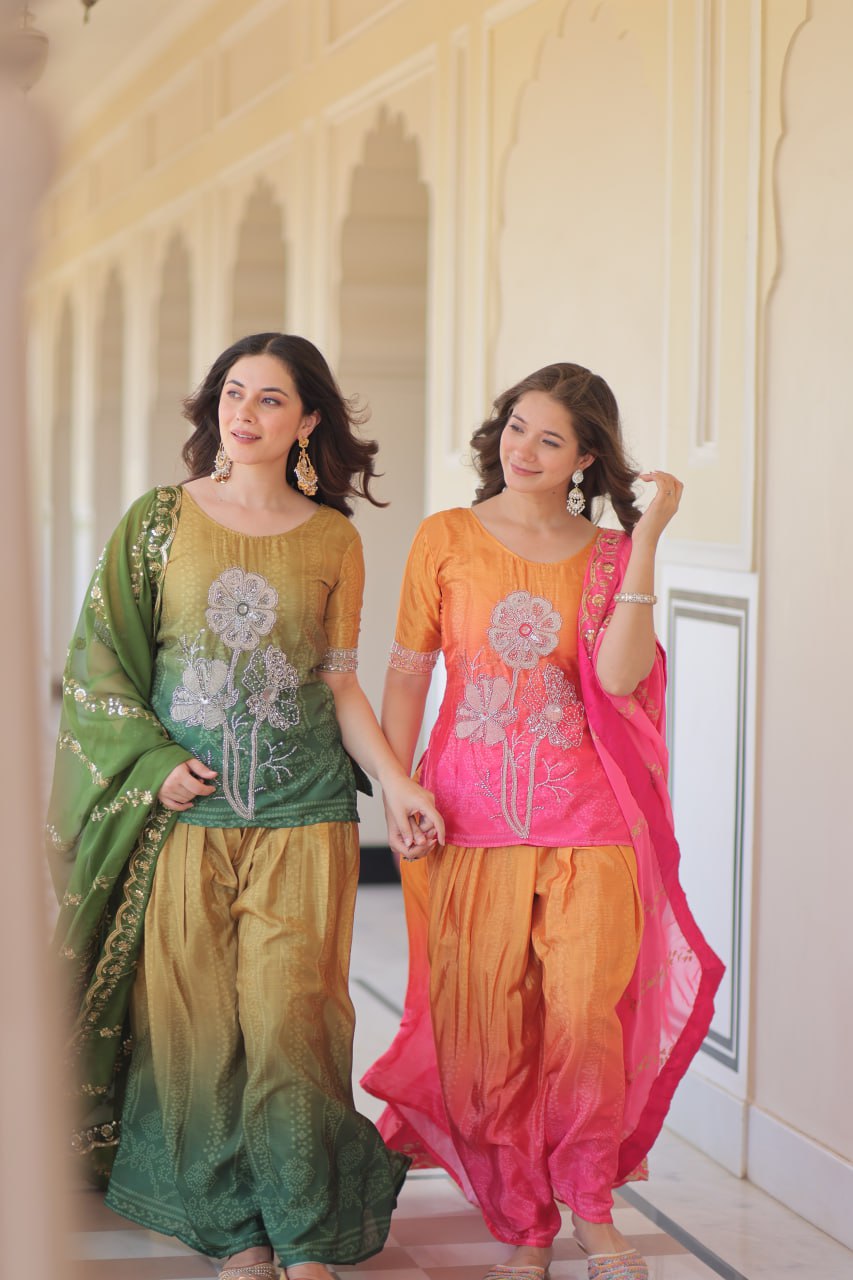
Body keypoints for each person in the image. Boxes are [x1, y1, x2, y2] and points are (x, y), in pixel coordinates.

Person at [47, 332, 444, 1280]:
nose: (244, 413)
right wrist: (154, 765)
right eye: (233, 393)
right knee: (197, 1029)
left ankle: (302, 1227)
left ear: (307, 422)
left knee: (290, 1022)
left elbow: (339, 683)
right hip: (187, 822)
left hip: (305, 816)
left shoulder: (332, 537)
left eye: (270, 399)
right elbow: (98, 665)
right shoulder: (158, 523)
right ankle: (234, 1229)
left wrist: (396, 781)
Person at [362, 363, 724, 1280]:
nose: (522, 449)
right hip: (466, 820)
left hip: (591, 823)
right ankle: (523, 1219)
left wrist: (644, 543)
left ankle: (591, 1210)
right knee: (489, 1030)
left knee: (584, 1024)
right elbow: (405, 674)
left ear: (585, 458)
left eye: (550, 438)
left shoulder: (607, 557)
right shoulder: (446, 536)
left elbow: (618, 678)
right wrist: (398, 788)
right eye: (516, 426)